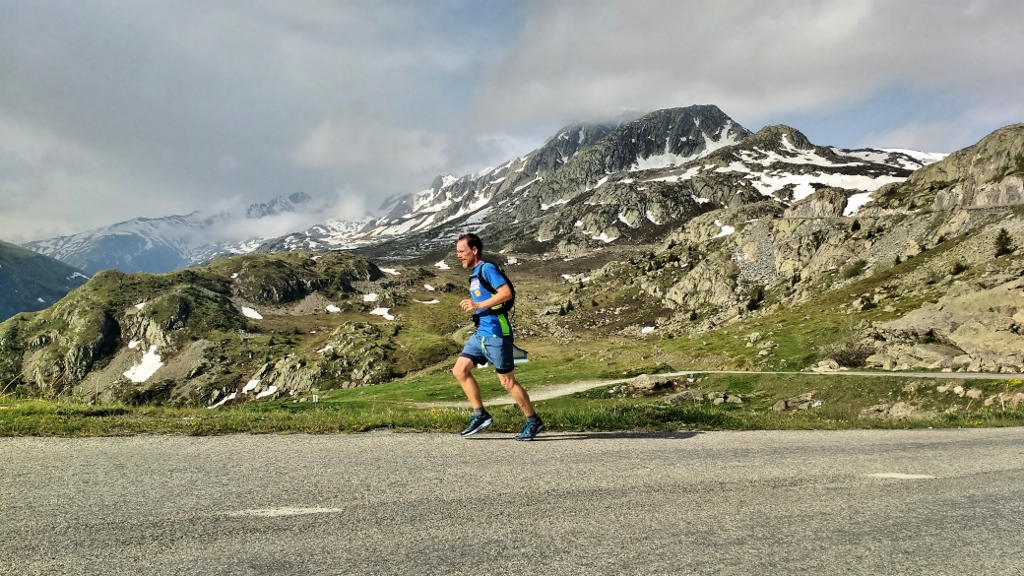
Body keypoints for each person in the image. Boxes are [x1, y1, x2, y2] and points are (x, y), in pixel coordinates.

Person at [452, 233, 544, 441]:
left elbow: (505, 293)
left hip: (496, 333)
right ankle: (480, 415)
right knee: (459, 370)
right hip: (481, 334)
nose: (458, 255)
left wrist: (477, 305)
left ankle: (533, 421)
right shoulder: (475, 274)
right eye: (457, 251)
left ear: (474, 250)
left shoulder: (487, 269)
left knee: (507, 382)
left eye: (461, 251)